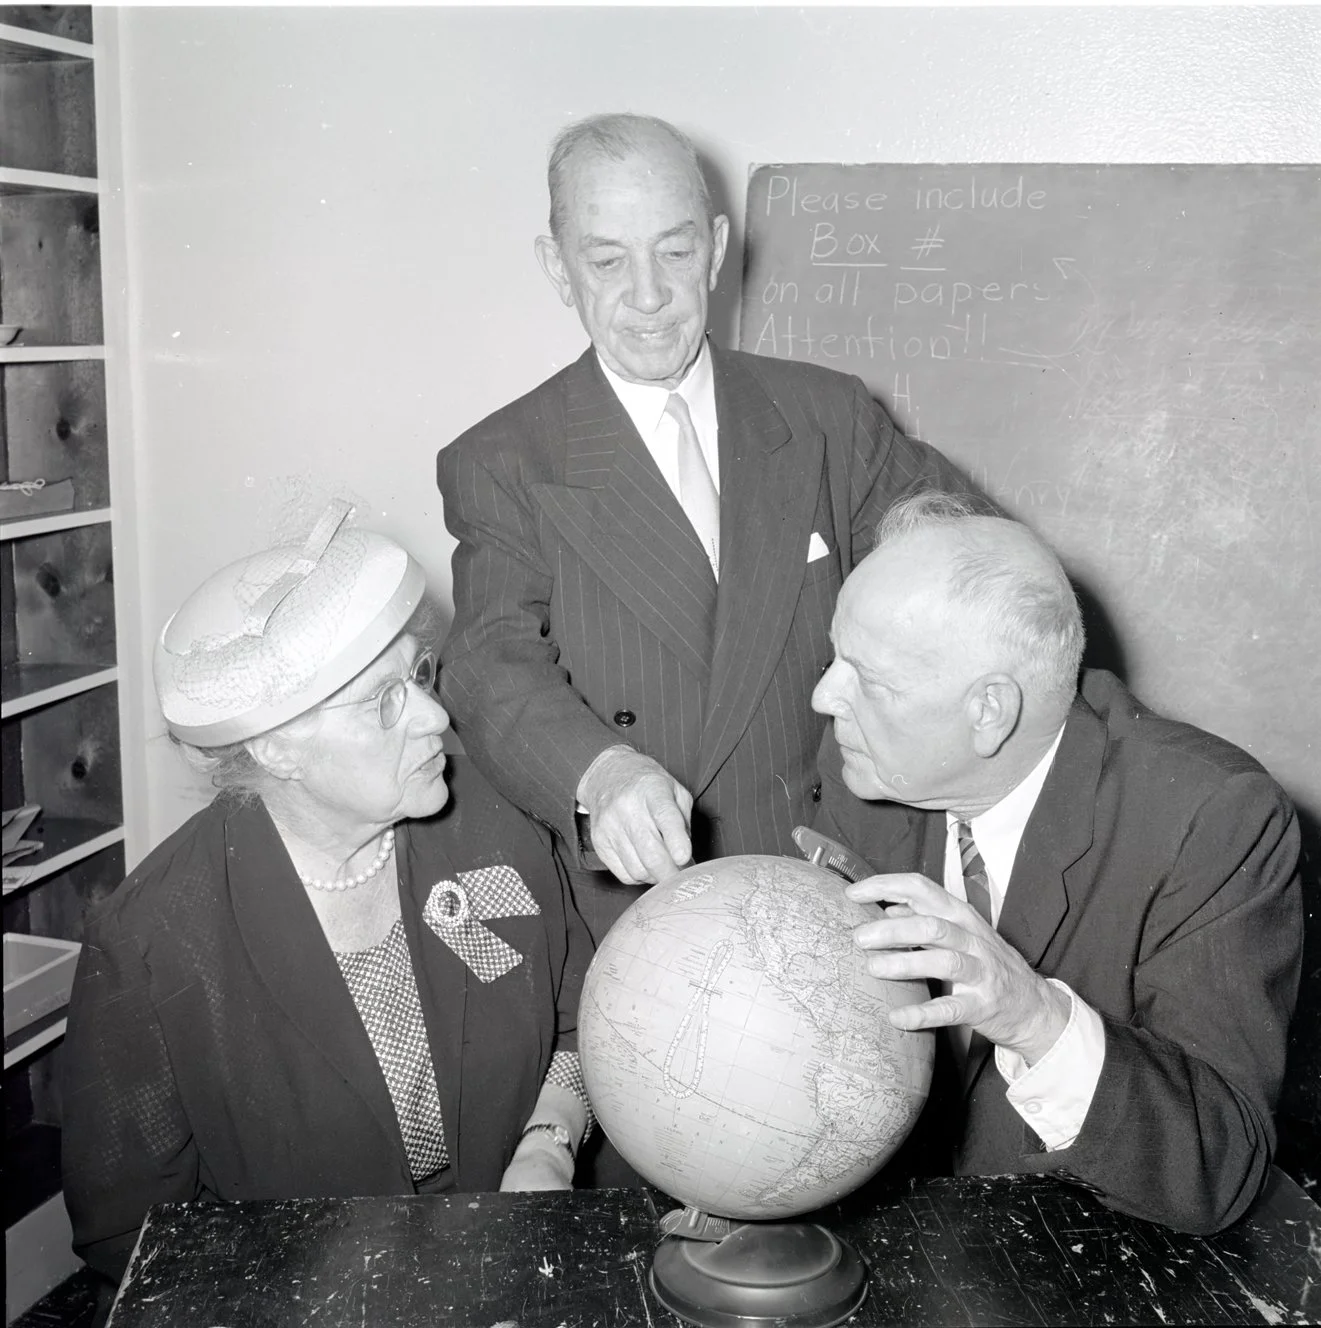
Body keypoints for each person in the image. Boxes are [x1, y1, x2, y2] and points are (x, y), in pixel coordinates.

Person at [437, 112, 969, 949]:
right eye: (607, 260)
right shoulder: (502, 460)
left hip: (851, 890)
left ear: (718, 248)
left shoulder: (829, 416)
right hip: (649, 915)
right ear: (557, 267)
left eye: (675, 252)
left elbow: (974, 581)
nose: (647, 296)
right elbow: (486, 659)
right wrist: (598, 769)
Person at [62, 502, 593, 1284]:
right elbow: (132, 1240)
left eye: (417, 674)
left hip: (510, 1267)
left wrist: (548, 1141)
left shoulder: (494, 826)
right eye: (383, 701)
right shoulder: (155, 941)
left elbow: (583, 1027)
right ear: (275, 746)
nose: (435, 716)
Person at [810, 490, 1302, 1234]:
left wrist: (1032, 1015)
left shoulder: (1209, 818)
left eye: (865, 678)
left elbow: (1218, 1169)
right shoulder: (870, 770)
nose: (823, 696)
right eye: (834, 657)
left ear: (988, 712)